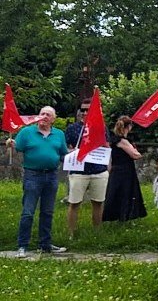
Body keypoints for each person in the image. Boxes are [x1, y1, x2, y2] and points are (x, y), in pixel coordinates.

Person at [9, 106, 68, 257]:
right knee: (28, 212)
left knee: (47, 212)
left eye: (48, 115)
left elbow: (63, 154)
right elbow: (18, 147)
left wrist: (76, 156)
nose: (44, 116)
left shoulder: (59, 134)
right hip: (32, 175)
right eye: (42, 114)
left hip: (52, 176)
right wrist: (11, 143)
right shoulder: (27, 132)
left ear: (53, 119)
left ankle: (45, 245)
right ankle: (22, 246)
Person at [64, 101, 110, 239]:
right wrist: (73, 151)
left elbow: (107, 147)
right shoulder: (72, 128)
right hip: (79, 172)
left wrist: (108, 166)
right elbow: (66, 148)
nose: (84, 113)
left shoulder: (101, 128)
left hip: (99, 171)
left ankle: (97, 232)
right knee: (74, 203)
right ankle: (71, 233)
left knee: (98, 202)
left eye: (88, 111)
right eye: (82, 110)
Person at [102, 116, 147, 222]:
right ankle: (123, 215)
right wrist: (138, 152)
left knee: (117, 193)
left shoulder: (114, 140)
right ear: (129, 127)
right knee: (125, 193)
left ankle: (119, 215)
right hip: (124, 170)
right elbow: (135, 155)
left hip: (117, 169)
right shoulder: (123, 141)